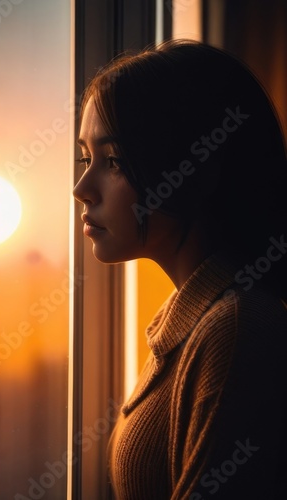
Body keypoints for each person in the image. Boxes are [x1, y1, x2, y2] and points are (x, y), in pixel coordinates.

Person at [73, 39, 287, 499]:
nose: (82, 188)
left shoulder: (237, 329)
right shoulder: (194, 319)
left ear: (192, 166)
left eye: (112, 161)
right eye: (85, 158)